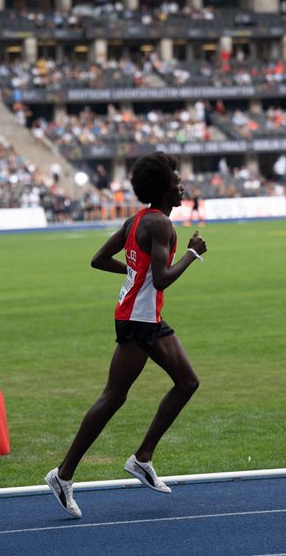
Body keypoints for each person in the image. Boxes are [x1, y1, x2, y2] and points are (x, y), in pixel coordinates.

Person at [45, 152, 207, 518]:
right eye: (176, 181)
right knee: (114, 396)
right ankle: (63, 474)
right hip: (138, 320)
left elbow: (99, 259)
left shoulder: (136, 220)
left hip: (146, 316)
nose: (182, 185)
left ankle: (142, 457)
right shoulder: (161, 225)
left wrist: (135, 276)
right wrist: (192, 254)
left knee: (187, 382)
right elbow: (163, 277)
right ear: (164, 189)